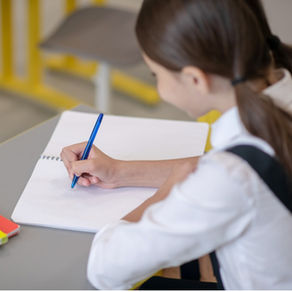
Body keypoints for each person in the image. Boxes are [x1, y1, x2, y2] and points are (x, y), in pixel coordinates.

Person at [60, 0, 292, 289]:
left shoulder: (229, 177)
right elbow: (233, 166)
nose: (158, 85)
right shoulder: (277, 98)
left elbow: (106, 267)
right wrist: (120, 171)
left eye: (156, 75)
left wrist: (162, 197)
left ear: (195, 79)